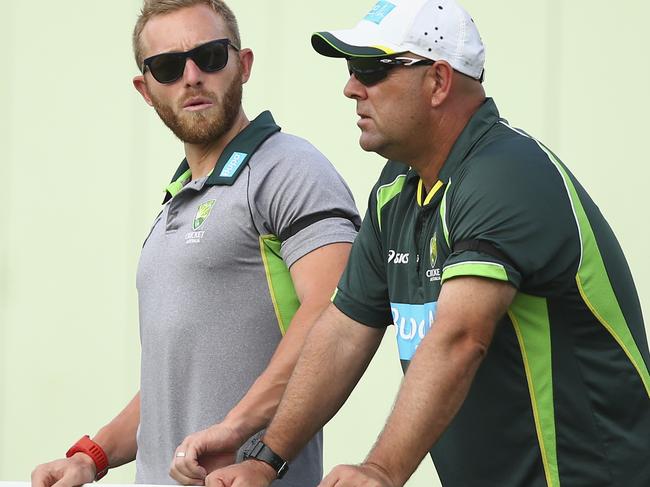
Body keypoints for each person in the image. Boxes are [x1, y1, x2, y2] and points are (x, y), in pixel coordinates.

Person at [205, 0, 650, 486]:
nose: (351, 88)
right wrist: (264, 459)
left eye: (371, 70)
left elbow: (461, 338)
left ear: (438, 81)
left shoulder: (507, 175)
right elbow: (343, 332)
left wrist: (378, 470)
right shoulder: (397, 188)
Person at [30, 1, 361, 486]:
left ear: (243, 65)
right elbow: (172, 385)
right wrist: (91, 456)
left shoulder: (291, 169)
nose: (191, 76)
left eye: (209, 56)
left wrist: (237, 428)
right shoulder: (175, 199)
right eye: (167, 66)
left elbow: (335, 317)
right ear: (146, 90)